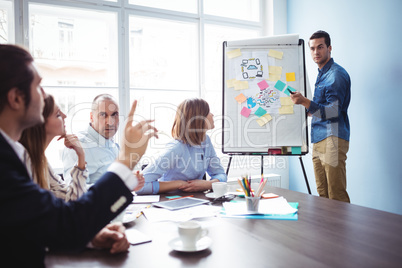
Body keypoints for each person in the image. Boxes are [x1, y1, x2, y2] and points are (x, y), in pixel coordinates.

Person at [0, 44, 157, 267]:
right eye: (38, 86)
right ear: (16, 98)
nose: (45, 96)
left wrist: (90, 237)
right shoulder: (4, 163)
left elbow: (37, 226)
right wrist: (127, 159)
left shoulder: (16, 154)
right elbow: (68, 218)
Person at [290, 30, 351, 202]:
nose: (316, 52)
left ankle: (342, 230)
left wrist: (304, 101)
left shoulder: (335, 75)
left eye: (320, 47)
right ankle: (328, 229)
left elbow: (332, 112)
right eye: (312, 48)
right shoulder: (322, 74)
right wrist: (306, 107)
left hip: (332, 137)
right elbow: (321, 109)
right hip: (318, 138)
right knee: (323, 194)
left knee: (336, 193)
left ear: (329, 48)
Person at [136, 98, 227, 195]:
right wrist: (179, 184)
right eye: (208, 112)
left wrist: (208, 184)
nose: (212, 115)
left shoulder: (205, 141)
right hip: (170, 201)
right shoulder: (176, 148)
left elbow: (221, 174)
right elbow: (140, 187)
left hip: (194, 199)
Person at [20, 94, 88, 201]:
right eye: (58, 115)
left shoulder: (41, 160)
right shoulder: (26, 161)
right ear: (40, 123)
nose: (64, 116)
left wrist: (81, 156)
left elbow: (72, 199)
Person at [62, 94, 120, 184]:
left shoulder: (114, 146)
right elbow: (74, 193)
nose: (110, 122)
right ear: (92, 117)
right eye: (103, 115)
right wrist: (112, 190)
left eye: (114, 114)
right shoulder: (77, 146)